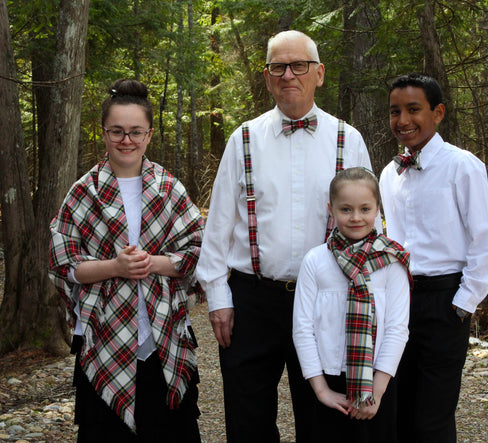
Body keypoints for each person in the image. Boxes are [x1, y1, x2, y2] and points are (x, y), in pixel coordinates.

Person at [196, 30, 372, 442]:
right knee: (247, 418)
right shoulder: (243, 140)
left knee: (324, 419)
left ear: (320, 73)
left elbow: (368, 228)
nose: (289, 74)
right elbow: (218, 226)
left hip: (325, 300)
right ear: (267, 76)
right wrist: (218, 299)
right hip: (252, 302)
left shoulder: (349, 140)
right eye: (279, 66)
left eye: (299, 65)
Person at [49, 79, 205, 442]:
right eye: (117, 131)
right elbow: (65, 266)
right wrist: (115, 268)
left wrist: (152, 263)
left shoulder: (168, 187)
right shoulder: (83, 192)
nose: (126, 140)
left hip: (164, 342)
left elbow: (199, 250)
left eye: (136, 131)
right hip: (103, 342)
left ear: (149, 134)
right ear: (103, 133)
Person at [379, 73, 488, 442]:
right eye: (395, 112)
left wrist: (462, 304)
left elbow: (487, 242)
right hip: (399, 301)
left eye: (413, 109)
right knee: (397, 407)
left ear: (438, 113)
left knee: (432, 416)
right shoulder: (389, 174)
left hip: (444, 301)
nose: (403, 120)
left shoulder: (462, 166)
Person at [293, 167, 411, 442]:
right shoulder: (315, 260)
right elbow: (302, 328)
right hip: (327, 380)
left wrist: (377, 391)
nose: (356, 217)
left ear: (377, 209)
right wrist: (321, 390)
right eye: (346, 209)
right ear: (331, 209)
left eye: (365, 208)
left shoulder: (392, 261)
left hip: (376, 379)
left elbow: (397, 328)